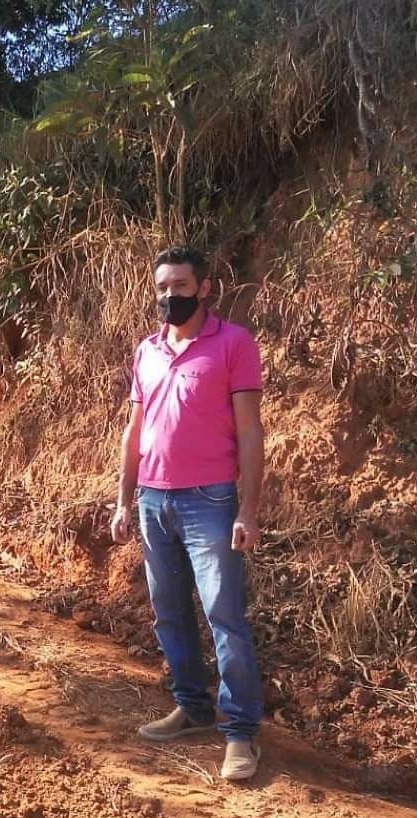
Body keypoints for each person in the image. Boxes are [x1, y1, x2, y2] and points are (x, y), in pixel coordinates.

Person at [110, 246, 265, 781]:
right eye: (161, 287)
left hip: (212, 501)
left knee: (224, 614)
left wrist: (248, 507)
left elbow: (249, 430)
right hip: (153, 499)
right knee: (169, 612)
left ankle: (240, 731)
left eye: (179, 286)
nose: (168, 296)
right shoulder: (147, 351)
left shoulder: (233, 344)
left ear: (203, 288)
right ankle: (194, 708)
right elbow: (135, 430)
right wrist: (124, 500)